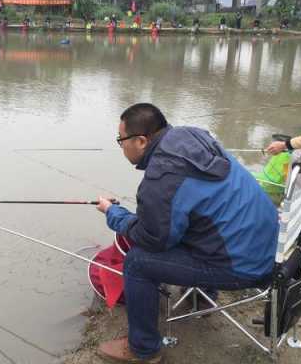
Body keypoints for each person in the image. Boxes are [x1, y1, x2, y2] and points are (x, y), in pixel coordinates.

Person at [95, 103, 279, 363]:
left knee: (137, 262)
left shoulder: (161, 178)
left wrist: (115, 214)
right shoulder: (191, 136)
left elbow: (153, 239)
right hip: (262, 245)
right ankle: (201, 300)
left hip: (243, 266)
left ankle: (143, 349)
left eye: (120, 140)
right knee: (192, 220)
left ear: (140, 141)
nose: (120, 146)